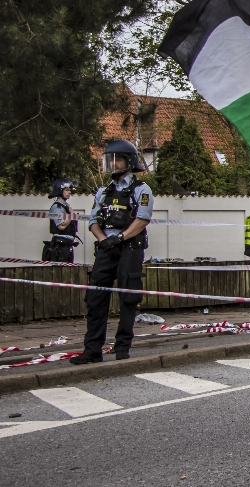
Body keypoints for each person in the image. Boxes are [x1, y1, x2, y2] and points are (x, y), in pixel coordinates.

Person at [71, 140, 153, 364]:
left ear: (129, 161)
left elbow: (142, 219)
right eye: (110, 159)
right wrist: (104, 239)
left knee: (128, 298)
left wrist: (121, 237)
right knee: (96, 298)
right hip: (106, 248)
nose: (113, 163)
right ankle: (92, 350)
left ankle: (122, 348)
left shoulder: (141, 189)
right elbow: (93, 221)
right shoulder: (103, 191)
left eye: (118, 159)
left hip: (129, 247)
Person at [43, 178, 80, 262]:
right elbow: (61, 226)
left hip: (67, 246)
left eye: (70, 190)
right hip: (60, 247)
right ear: (60, 191)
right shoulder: (57, 207)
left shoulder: (66, 206)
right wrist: (71, 216)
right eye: (67, 190)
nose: (69, 192)